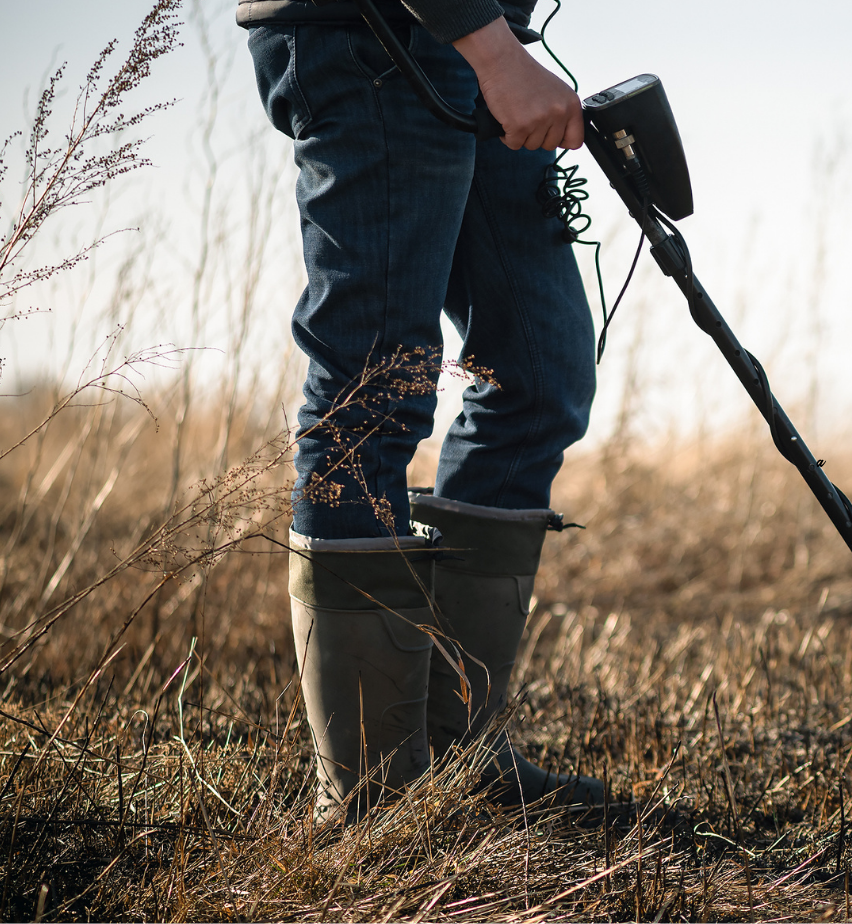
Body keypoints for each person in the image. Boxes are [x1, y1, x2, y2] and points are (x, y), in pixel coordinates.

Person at [237, 0, 601, 824]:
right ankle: (370, 805)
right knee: (376, 387)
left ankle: (458, 755)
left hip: (476, 43)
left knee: (539, 376)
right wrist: (493, 50)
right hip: (375, 33)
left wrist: (497, 46)